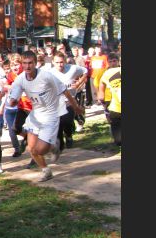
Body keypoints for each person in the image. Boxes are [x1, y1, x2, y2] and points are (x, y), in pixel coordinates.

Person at [8, 51, 85, 182]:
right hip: (36, 115)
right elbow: (14, 96)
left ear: (35, 63)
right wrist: (13, 101)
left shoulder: (46, 76)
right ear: (22, 64)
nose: (27, 66)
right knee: (32, 149)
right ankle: (46, 170)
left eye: (30, 63)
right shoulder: (20, 79)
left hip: (51, 115)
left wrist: (76, 107)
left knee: (40, 150)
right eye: (25, 63)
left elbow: (65, 91)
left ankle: (53, 145)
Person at [49, 52, 87, 150]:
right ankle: (60, 142)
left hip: (70, 101)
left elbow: (85, 71)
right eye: (57, 62)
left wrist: (79, 82)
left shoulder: (72, 68)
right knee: (58, 124)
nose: (59, 65)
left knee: (67, 121)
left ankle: (69, 135)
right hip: (56, 102)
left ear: (65, 61)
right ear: (53, 62)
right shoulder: (49, 73)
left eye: (61, 62)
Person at [98, 53, 121, 146]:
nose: (112, 63)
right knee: (119, 141)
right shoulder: (106, 73)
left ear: (118, 61)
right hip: (114, 106)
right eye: (110, 62)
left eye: (114, 61)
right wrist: (101, 95)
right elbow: (100, 83)